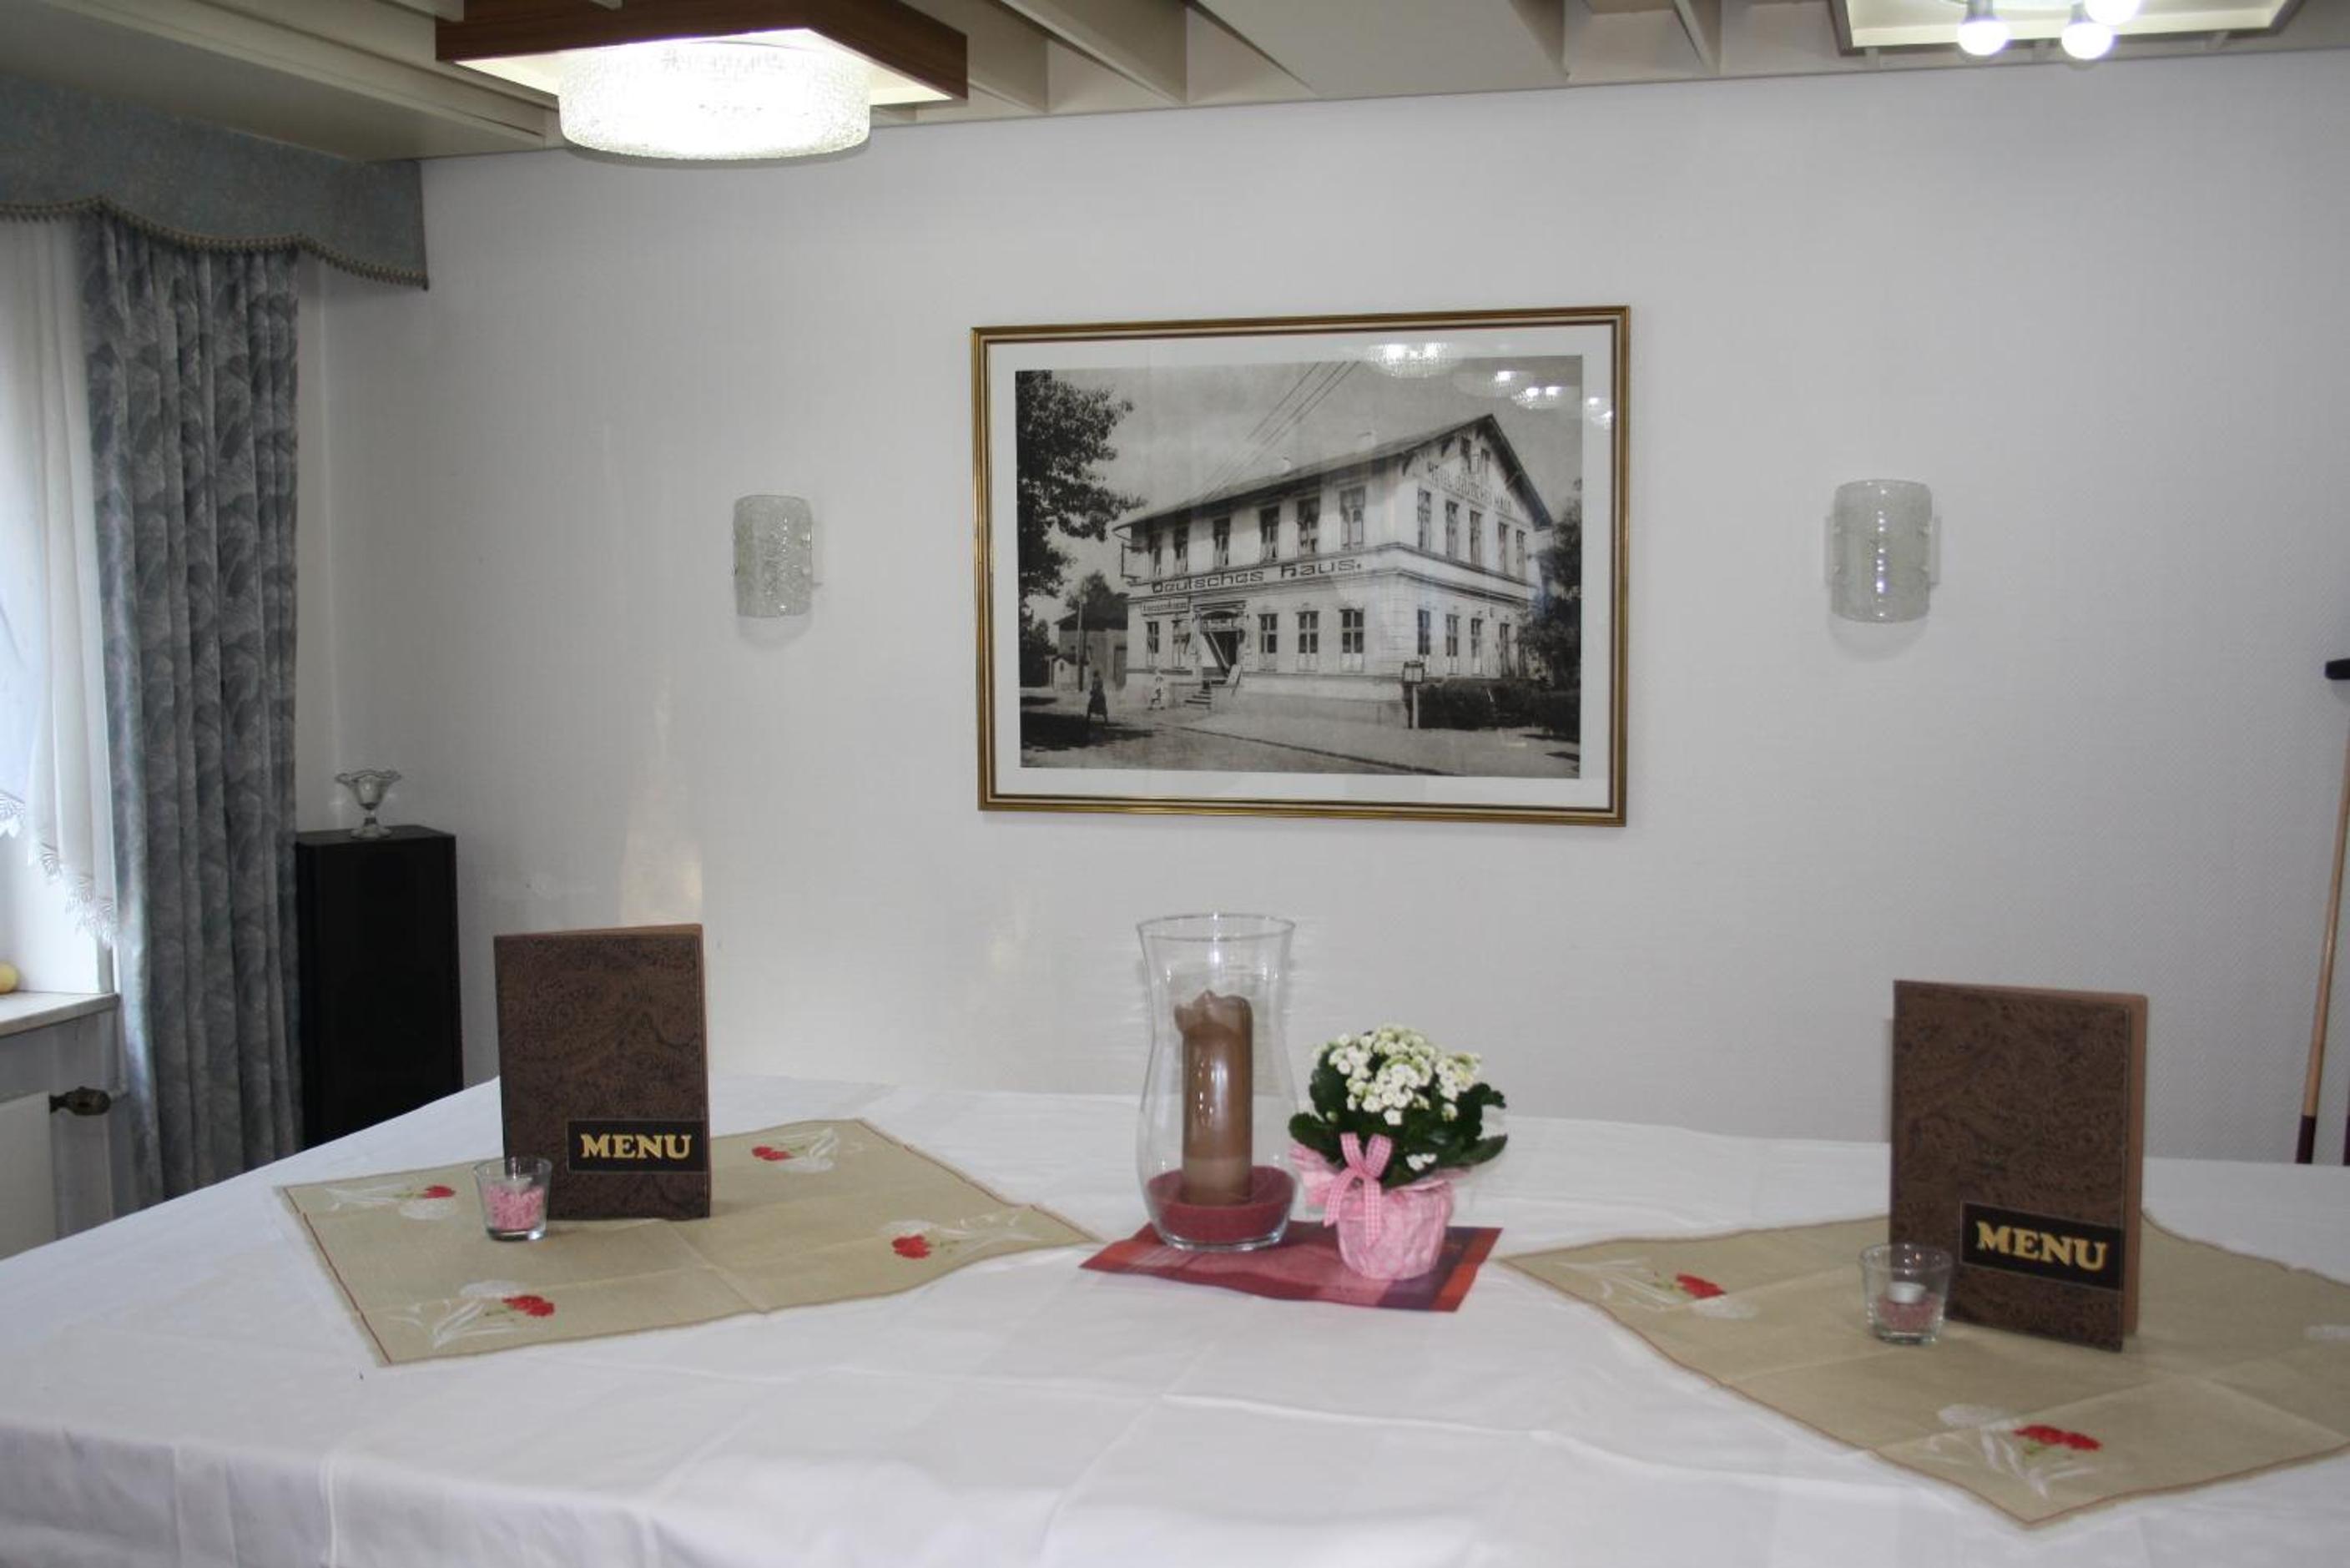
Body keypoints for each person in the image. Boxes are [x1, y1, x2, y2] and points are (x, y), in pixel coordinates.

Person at [1087, 669, 1109, 734]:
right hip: (1101, 695)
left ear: (1094, 675)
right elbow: (1100, 687)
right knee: (1103, 708)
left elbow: (1095, 688)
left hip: (1097, 695)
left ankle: (1087, 720)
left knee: (1090, 707)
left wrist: (1092, 692)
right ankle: (1106, 720)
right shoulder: (1100, 679)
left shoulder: (1095, 680)